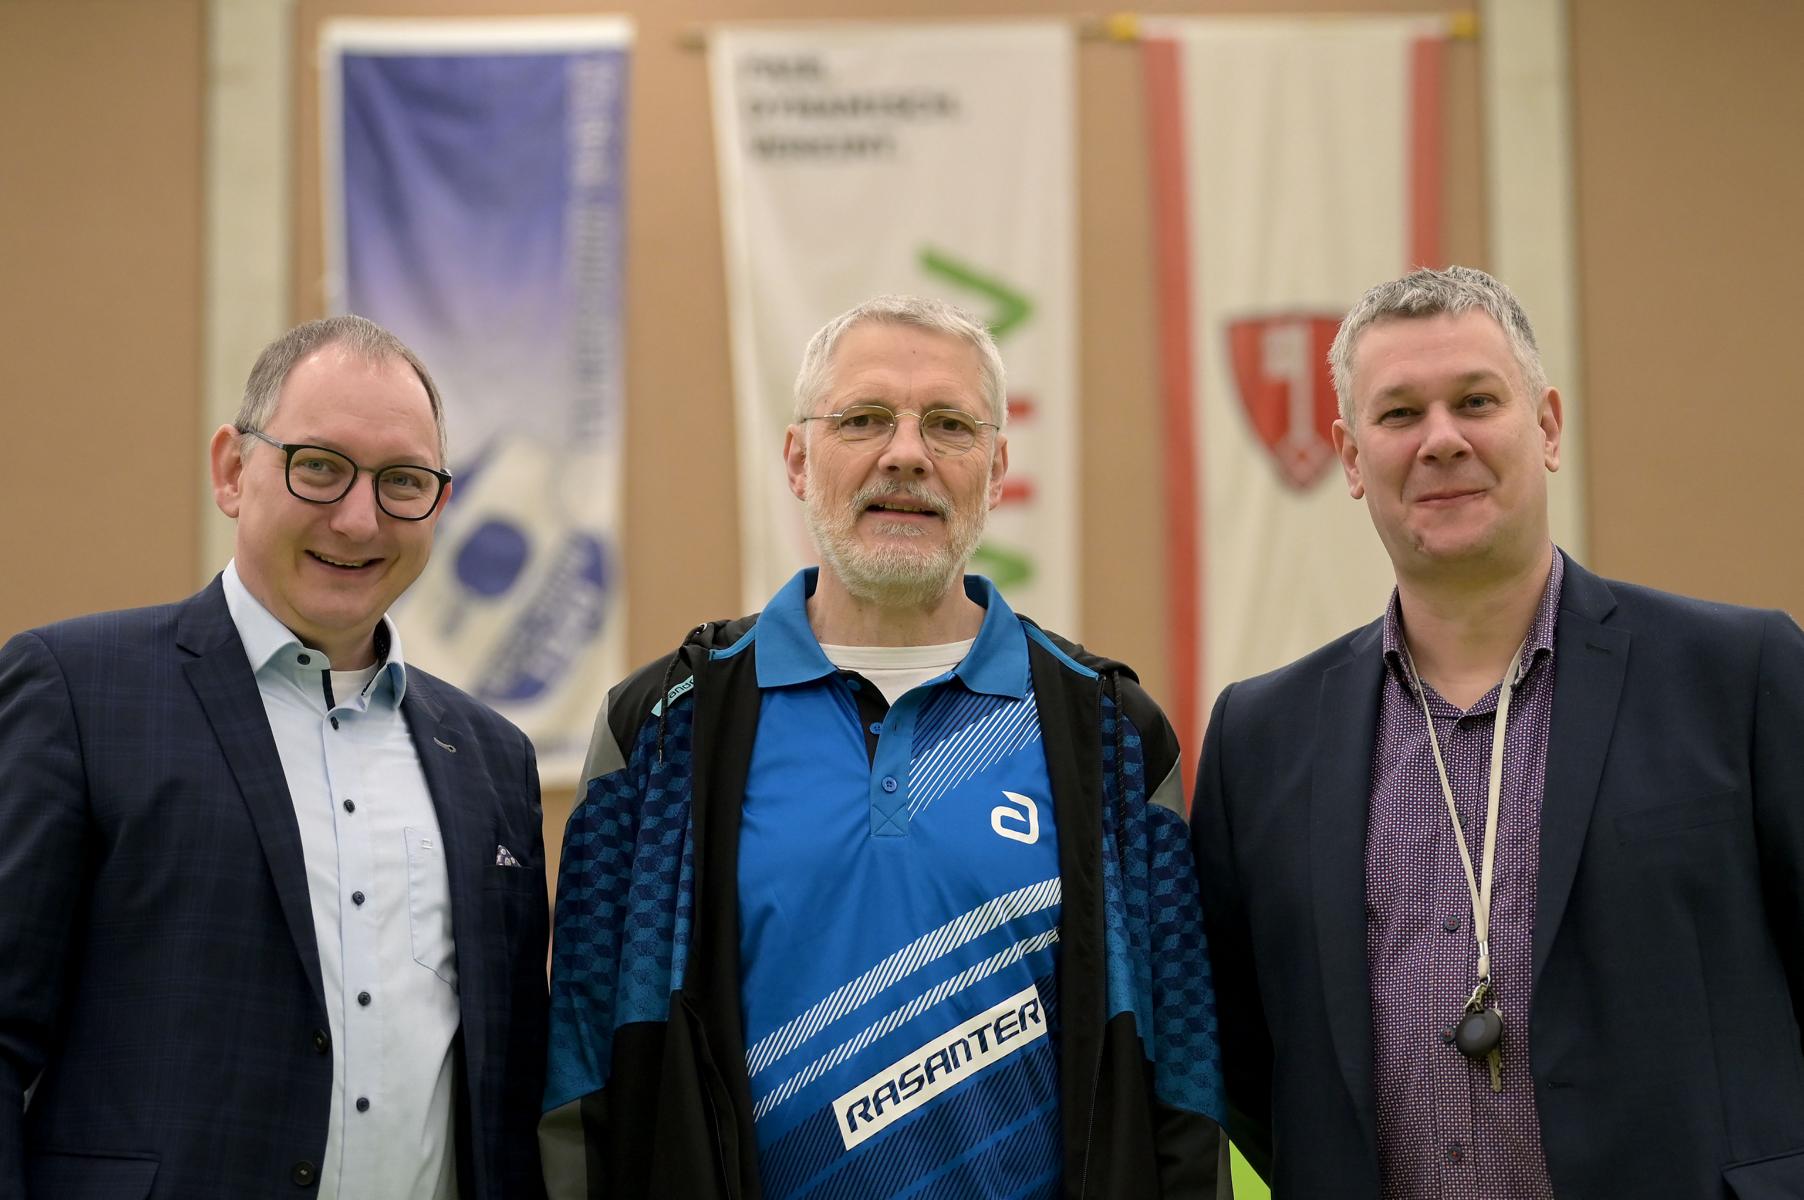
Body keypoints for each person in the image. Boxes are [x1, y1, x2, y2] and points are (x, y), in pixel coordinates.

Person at [541, 295, 1224, 1198]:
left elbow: (1181, 1083)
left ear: (996, 469)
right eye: (863, 419)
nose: (906, 454)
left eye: (949, 425)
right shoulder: (664, 732)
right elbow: (584, 1075)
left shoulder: (1112, 735)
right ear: (798, 458)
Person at [1191, 265, 1804, 1197]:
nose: (1441, 440)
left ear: (1547, 426)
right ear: (1350, 458)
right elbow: (1248, 1056)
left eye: (1476, 401)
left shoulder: (1739, 676)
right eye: (1400, 414)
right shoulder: (1260, 741)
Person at [0, 315, 549, 1199]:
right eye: (320, 467)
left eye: (403, 481)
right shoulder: (77, 694)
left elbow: (508, 1082)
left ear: (440, 505)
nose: (359, 518)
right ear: (232, 469)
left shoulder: (493, 760)